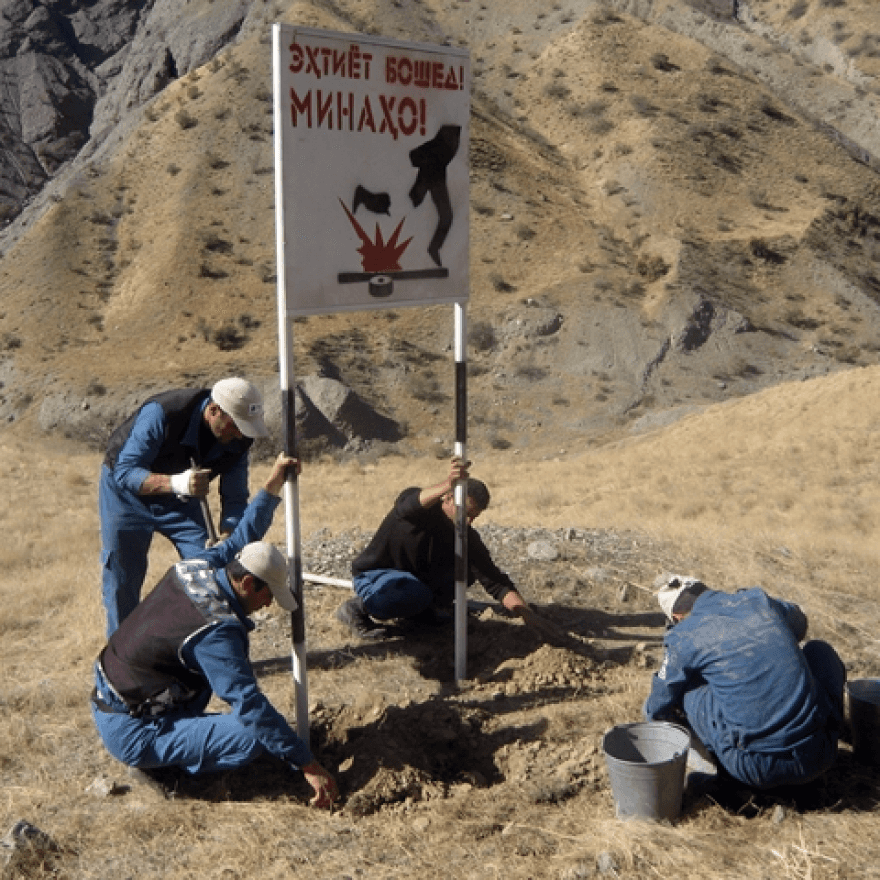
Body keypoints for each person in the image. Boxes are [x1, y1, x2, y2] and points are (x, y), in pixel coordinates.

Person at [91, 452, 339, 809]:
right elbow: (250, 706)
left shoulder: (198, 567)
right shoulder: (215, 632)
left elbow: (240, 540)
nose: (269, 605)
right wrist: (307, 762)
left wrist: (271, 487)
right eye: (269, 595)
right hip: (133, 728)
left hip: (113, 692)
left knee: (213, 692)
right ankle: (164, 768)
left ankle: (176, 741)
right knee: (251, 736)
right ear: (249, 584)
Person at [99, 377, 269, 635]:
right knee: (123, 576)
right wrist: (177, 483)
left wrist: (228, 535)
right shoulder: (164, 413)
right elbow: (125, 473)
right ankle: (121, 660)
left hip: (182, 500)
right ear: (214, 410)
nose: (239, 434)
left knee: (210, 569)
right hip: (125, 497)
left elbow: (235, 499)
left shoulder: (240, 439)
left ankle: (204, 645)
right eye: (235, 425)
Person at [643, 575, 846, 789]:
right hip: (821, 752)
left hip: (756, 768)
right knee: (820, 651)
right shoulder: (757, 600)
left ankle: (720, 776)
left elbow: (658, 705)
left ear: (676, 617)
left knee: (686, 691)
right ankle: (831, 729)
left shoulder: (684, 634)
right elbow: (799, 625)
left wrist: (658, 715)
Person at [336, 457, 532, 639]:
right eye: (464, 512)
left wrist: (525, 614)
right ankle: (357, 608)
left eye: (474, 516)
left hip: (418, 588)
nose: (468, 521)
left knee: (464, 572)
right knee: (411, 591)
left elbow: (496, 582)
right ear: (447, 498)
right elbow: (408, 503)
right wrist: (449, 483)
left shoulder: (467, 538)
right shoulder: (419, 512)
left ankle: (420, 613)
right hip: (378, 577)